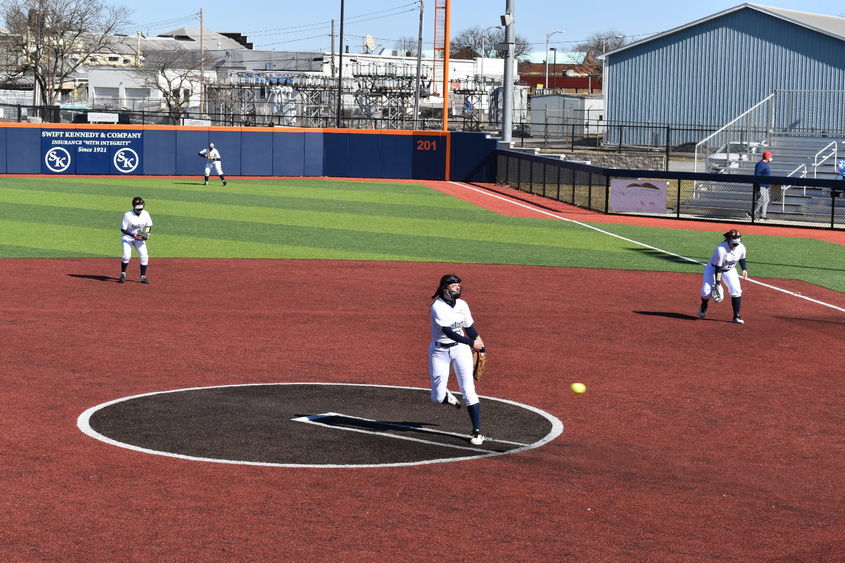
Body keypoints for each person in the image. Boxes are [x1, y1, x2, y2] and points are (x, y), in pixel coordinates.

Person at [428, 274, 488, 445]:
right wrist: (472, 343)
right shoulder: (437, 307)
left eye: (459, 285)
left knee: (468, 389)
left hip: (461, 350)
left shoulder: (462, 305)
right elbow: (448, 332)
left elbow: (468, 327)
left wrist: (480, 344)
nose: (458, 288)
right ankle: (445, 395)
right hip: (439, 351)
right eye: (454, 285)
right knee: (437, 398)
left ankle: (477, 432)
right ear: (444, 289)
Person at [698, 229, 748, 324]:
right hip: (713, 269)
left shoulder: (741, 247)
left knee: (736, 291)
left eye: (738, 237)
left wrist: (744, 269)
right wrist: (717, 283)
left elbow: (742, 258)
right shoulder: (721, 249)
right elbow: (718, 267)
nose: (736, 239)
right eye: (734, 237)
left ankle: (736, 316)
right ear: (729, 238)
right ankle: (704, 306)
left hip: (730, 270)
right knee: (706, 293)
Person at [118, 196, 153, 284]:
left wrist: (146, 233)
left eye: (141, 208)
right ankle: (123, 274)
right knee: (126, 256)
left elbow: (149, 225)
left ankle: (142, 277)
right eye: (138, 209)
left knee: (145, 256)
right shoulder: (127, 215)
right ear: (134, 206)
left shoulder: (145, 214)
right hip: (127, 237)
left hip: (139, 238)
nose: (140, 210)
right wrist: (133, 235)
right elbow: (123, 229)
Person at [752, 151, 772, 220]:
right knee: (761, 200)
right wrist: (758, 185)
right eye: (770, 156)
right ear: (767, 157)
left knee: (766, 200)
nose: (771, 158)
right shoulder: (760, 164)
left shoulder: (766, 164)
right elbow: (757, 175)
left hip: (766, 186)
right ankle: (752, 213)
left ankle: (763, 215)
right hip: (761, 185)